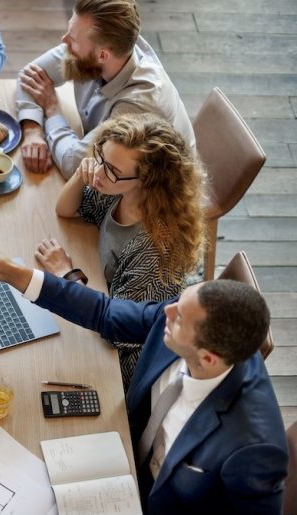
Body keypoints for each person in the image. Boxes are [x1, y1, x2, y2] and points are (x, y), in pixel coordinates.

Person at [0, 241, 287, 512]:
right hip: (115, 450)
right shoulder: (179, 320)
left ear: (208, 358)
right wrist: (10, 272)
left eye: (179, 318)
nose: (166, 311)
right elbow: (104, 312)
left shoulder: (254, 449)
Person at [35, 113, 205, 389]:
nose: (100, 173)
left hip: (124, 363)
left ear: (148, 181)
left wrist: (67, 274)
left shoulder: (154, 251)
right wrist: (82, 173)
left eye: (112, 170)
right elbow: (65, 209)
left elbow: (117, 330)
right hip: (100, 298)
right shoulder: (117, 189)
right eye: (100, 157)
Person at [16, 0, 194, 179]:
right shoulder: (105, 45)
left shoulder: (141, 105)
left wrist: (52, 110)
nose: (64, 40)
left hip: (153, 186)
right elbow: (30, 75)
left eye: (73, 39)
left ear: (102, 55)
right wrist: (32, 130)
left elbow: (74, 165)